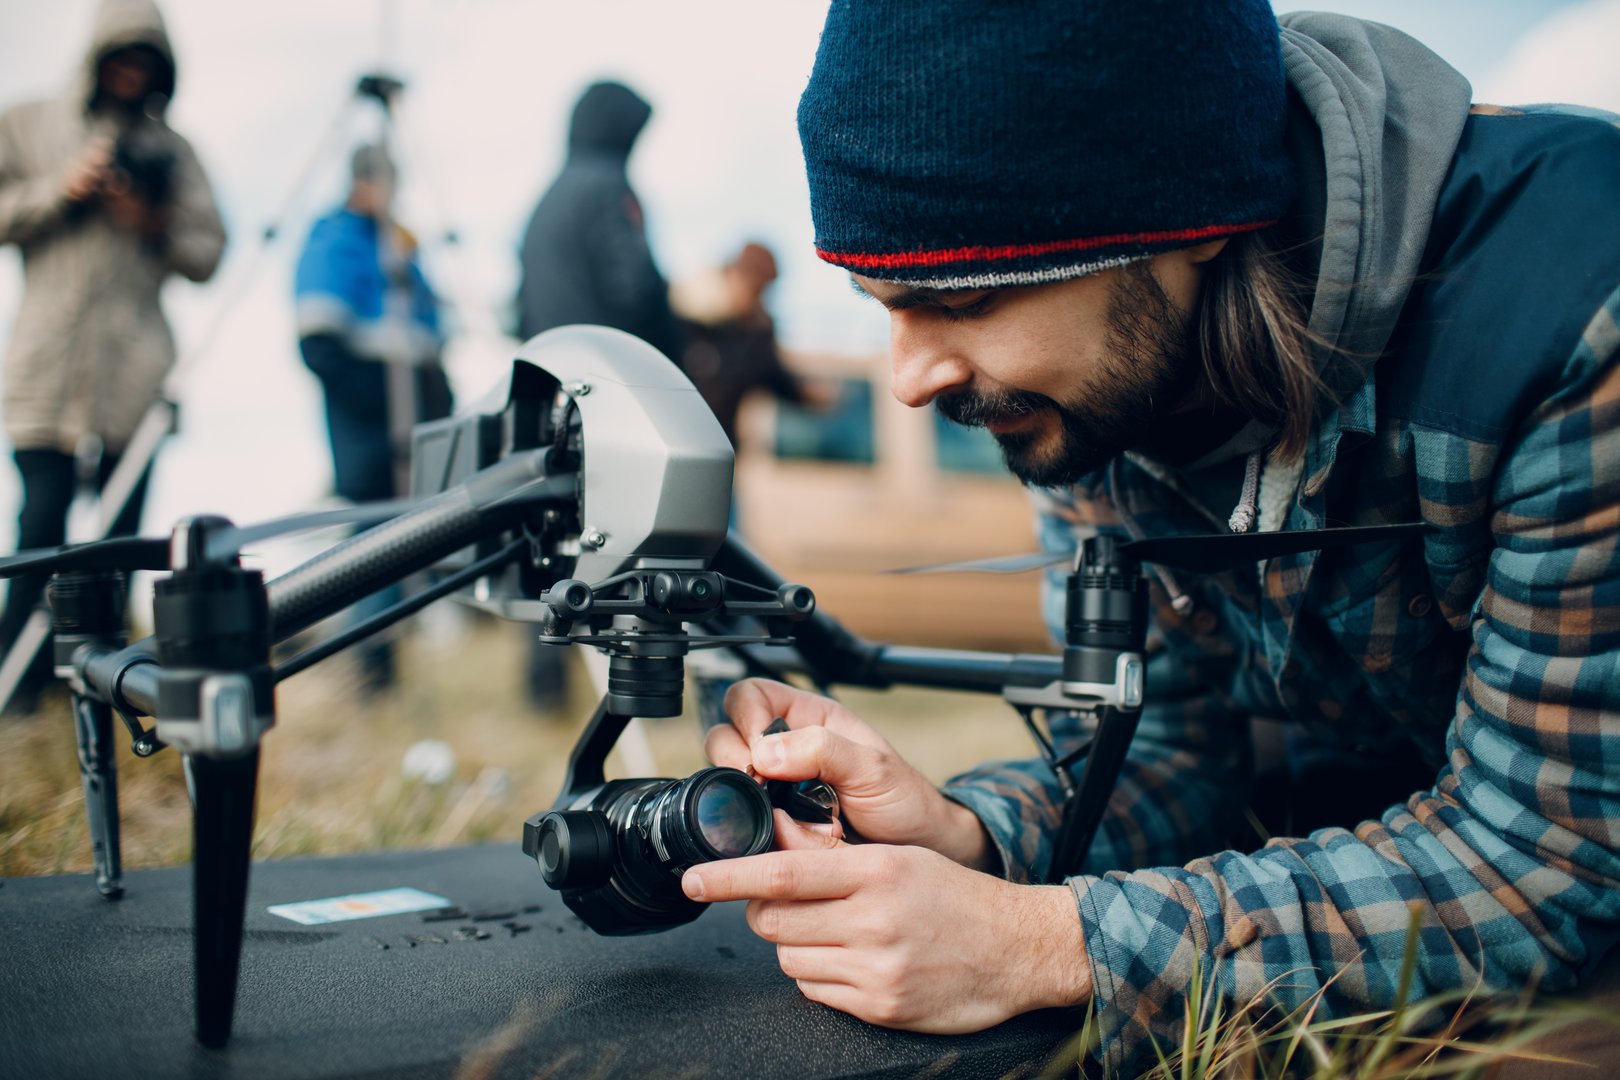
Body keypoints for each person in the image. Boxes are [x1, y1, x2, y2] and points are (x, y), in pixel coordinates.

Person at [679, 1, 1620, 1072]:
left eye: (970, 296)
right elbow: (1175, 757)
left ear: (1194, 217)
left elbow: (1543, 865)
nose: (910, 379)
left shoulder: (1579, 302)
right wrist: (963, 833)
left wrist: (1038, 943)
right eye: (881, 303)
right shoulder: (1090, 387)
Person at [0, 0, 225, 711]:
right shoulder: (30, 123)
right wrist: (59, 190)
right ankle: (18, 686)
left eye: (146, 62)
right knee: (42, 523)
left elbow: (209, 250)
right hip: (46, 365)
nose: (131, 73)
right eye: (121, 59)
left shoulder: (175, 150)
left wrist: (151, 222)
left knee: (122, 538)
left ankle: (99, 689)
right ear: (96, 60)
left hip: (135, 371)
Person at [515, 79, 681, 708]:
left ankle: (544, 691)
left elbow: (520, 303)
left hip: (555, 395)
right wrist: (672, 354)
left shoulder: (546, 201)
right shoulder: (610, 192)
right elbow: (633, 287)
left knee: (554, 545)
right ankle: (637, 690)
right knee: (635, 540)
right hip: (611, 393)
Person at [295, 142, 451, 693]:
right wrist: (380, 411)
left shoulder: (400, 249)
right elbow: (318, 342)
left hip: (415, 422)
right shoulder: (334, 241)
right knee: (369, 547)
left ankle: (384, 671)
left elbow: (430, 333)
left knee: (400, 548)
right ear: (363, 183)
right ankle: (368, 673)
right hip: (370, 428)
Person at [672, 241, 817, 452]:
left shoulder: (755, 335)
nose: (760, 299)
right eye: (757, 289)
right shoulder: (681, 315)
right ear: (734, 273)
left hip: (720, 451)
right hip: (675, 444)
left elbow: (774, 375)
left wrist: (809, 394)